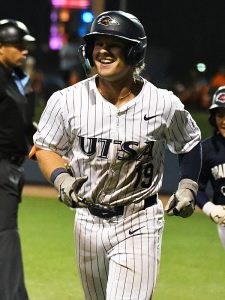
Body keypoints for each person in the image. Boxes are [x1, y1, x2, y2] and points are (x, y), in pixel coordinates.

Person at [30, 11, 202, 300]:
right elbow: (46, 148)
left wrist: (188, 186)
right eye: (98, 42)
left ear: (135, 51)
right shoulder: (66, 100)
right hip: (86, 222)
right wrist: (61, 180)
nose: (103, 50)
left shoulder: (163, 103)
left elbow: (189, 142)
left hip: (139, 220)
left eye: (114, 43)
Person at [0, 19, 36, 299]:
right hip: (2, 168)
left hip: (12, 166)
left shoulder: (17, 79)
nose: (25, 50)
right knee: (6, 233)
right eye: (18, 45)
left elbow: (22, 125)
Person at [196, 86, 225, 249]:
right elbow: (196, 187)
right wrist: (209, 209)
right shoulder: (207, 149)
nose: (224, 121)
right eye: (220, 115)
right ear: (213, 117)